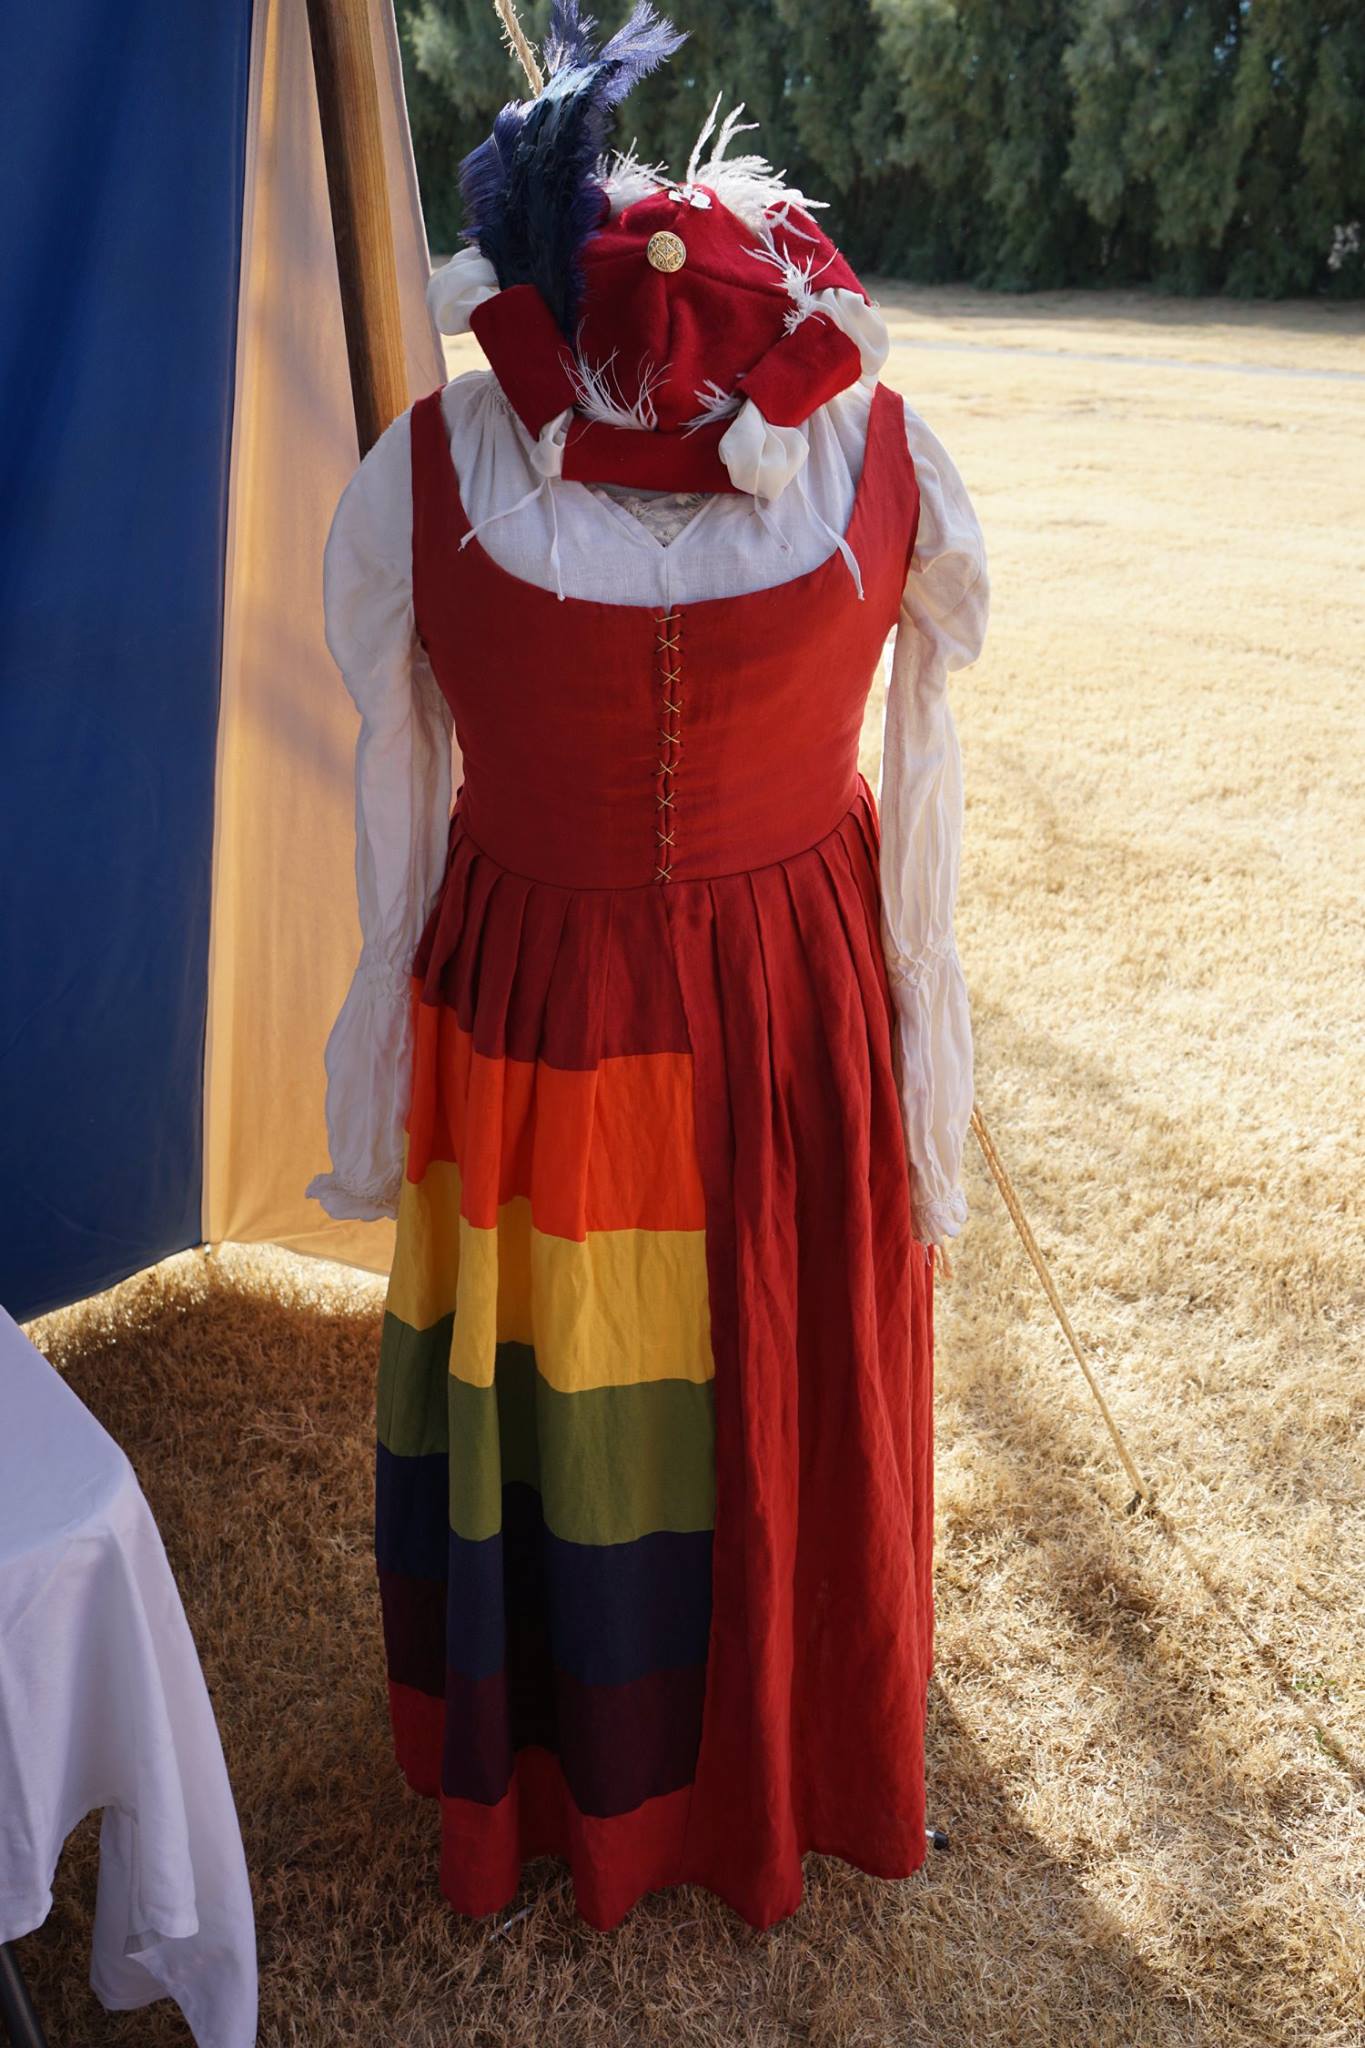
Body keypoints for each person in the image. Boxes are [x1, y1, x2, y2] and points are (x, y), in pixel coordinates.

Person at [306, 1, 990, 1933]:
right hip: (611, 1008)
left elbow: (397, 774)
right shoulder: (441, 466)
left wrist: (920, 1031)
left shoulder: (861, 451)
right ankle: (612, 1764)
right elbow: (397, 776)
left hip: (704, 1008)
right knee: (622, 1391)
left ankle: (737, 1749)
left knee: (706, 1374)